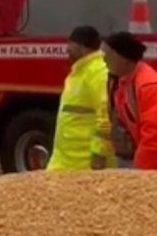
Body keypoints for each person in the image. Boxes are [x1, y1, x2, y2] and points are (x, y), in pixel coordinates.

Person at [101, 31, 157, 174]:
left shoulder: (150, 87)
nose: (104, 59)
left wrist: (139, 173)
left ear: (124, 59)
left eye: (107, 55)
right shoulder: (126, 82)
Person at [46, 26, 115, 172]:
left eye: (70, 44)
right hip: (67, 160)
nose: (67, 49)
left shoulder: (98, 72)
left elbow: (106, 116)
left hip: (85, 164)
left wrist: (99, 153)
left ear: (82, 47)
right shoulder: (79, 71)